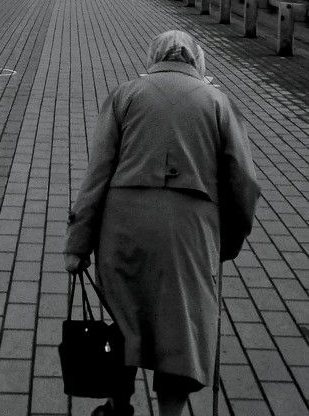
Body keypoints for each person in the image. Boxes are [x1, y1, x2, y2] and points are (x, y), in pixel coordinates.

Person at [64, 30, 259, 416]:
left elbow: (97, 174)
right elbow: (243, 183)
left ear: (154, 57)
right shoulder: (219, 102)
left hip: (122, 230)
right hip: (189, 234)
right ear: (197, 61)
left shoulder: (125, 95)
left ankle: (118, 406)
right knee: (182, 329)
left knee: (123, 323)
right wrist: (228, 241)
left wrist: (77, 244)